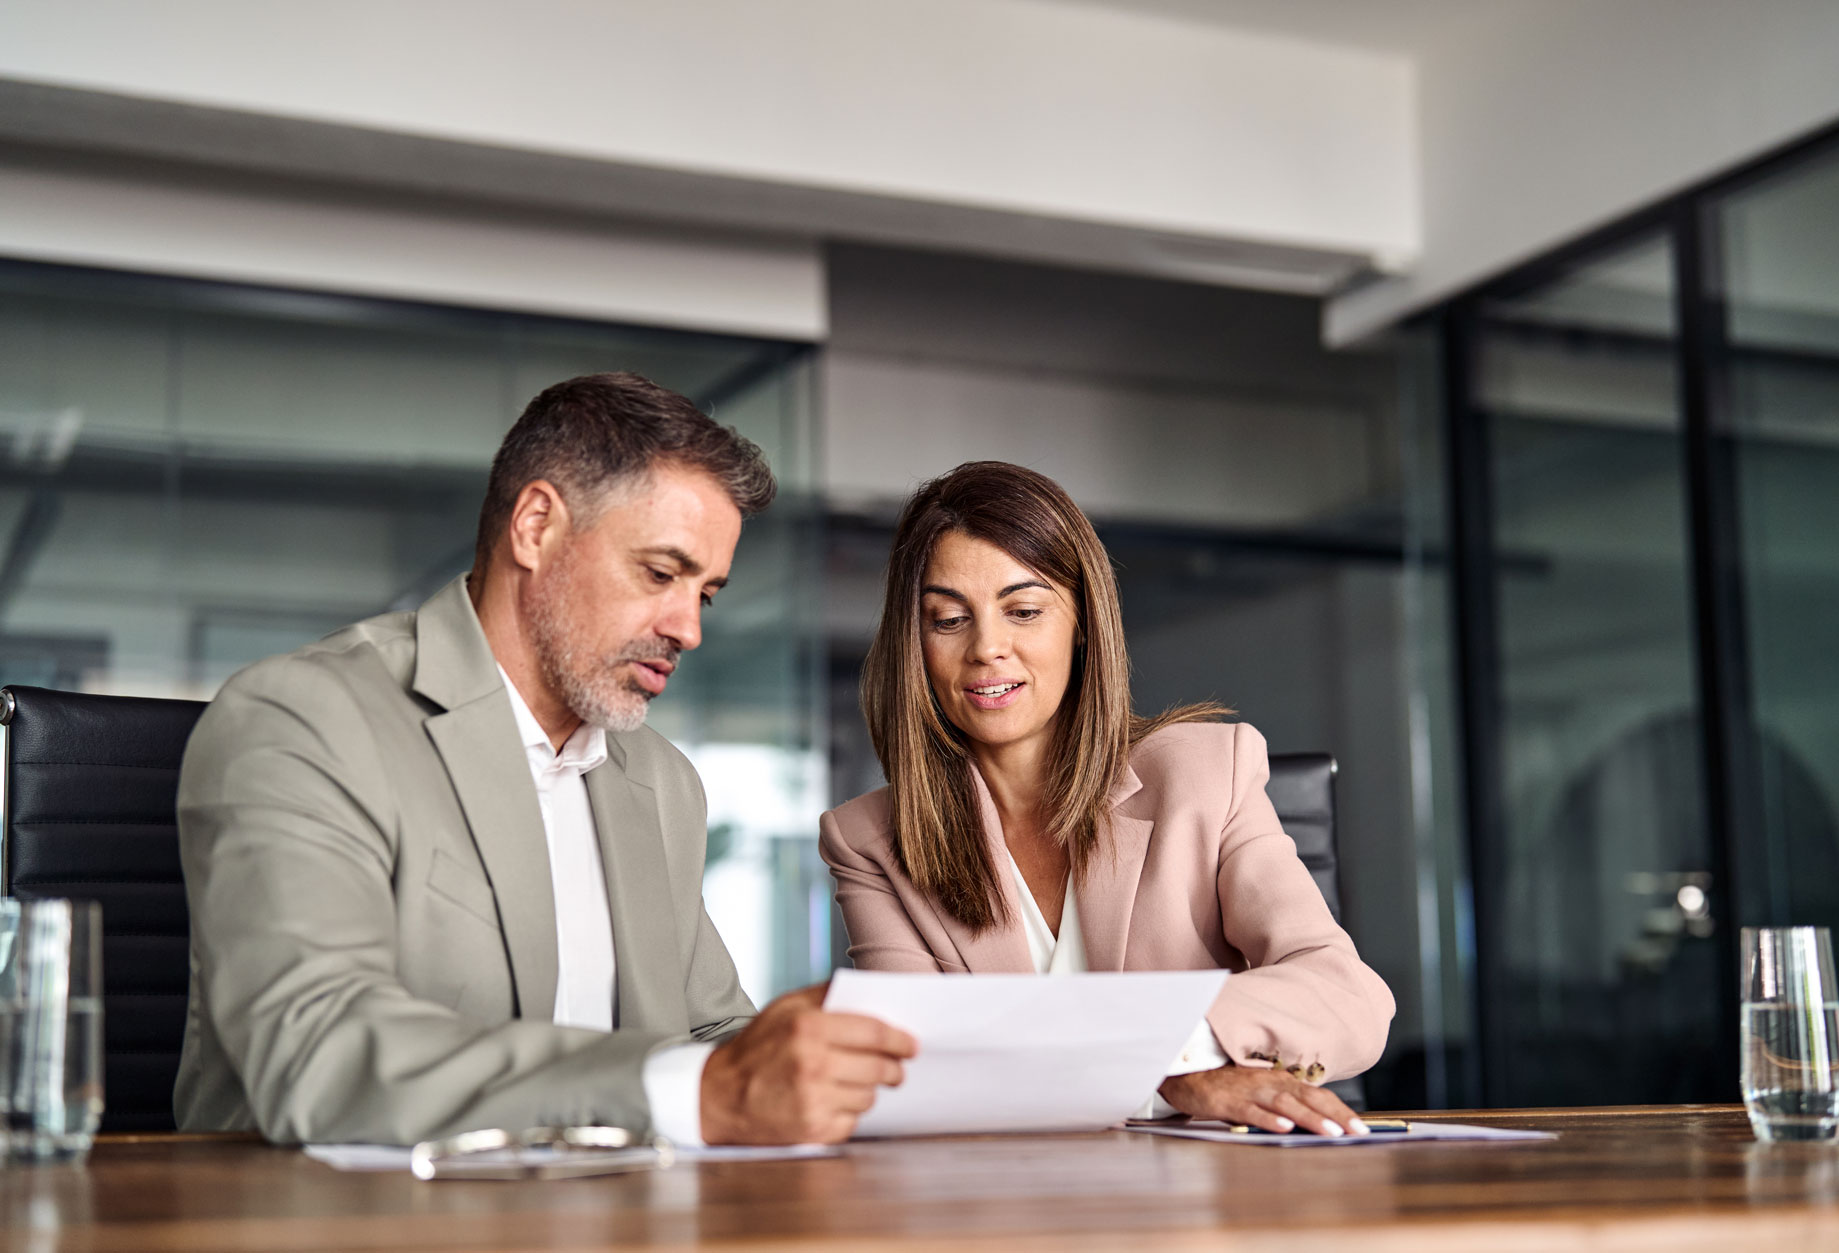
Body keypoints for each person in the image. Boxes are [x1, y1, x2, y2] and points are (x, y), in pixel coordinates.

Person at [174, 372, 914, 1146]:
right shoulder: (305, 719)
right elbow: (316, 1052)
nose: (688, 627)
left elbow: (711, 1034)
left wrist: (808, 1060)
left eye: (706, 593)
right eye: (661, 573)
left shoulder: (662, 782)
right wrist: (689, 1090)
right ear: (535, 526)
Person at [819, 461, 1393, 1137]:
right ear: (915, 643)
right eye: (948, 619)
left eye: (1024, 611)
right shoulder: (868, 840)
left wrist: (1178, 1055)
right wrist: (1156, 1069)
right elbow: (911, 1071)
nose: (987, 648)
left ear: (1082, 622)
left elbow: (1348, 994)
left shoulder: (1209, 772)